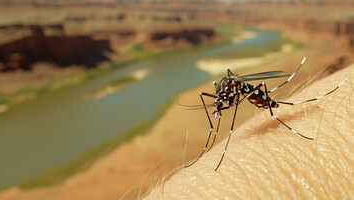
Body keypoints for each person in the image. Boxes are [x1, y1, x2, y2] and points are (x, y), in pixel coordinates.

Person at [144, 64, 354, 199]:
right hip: (238, 91)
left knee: (256, 91)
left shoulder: (232, 89)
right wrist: (213, 126)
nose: (218, 108)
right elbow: (216, 97)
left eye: (219, 105)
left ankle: (278, 114)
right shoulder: (219, 94)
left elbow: (235, 89)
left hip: (259, 96)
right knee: (208, 92)